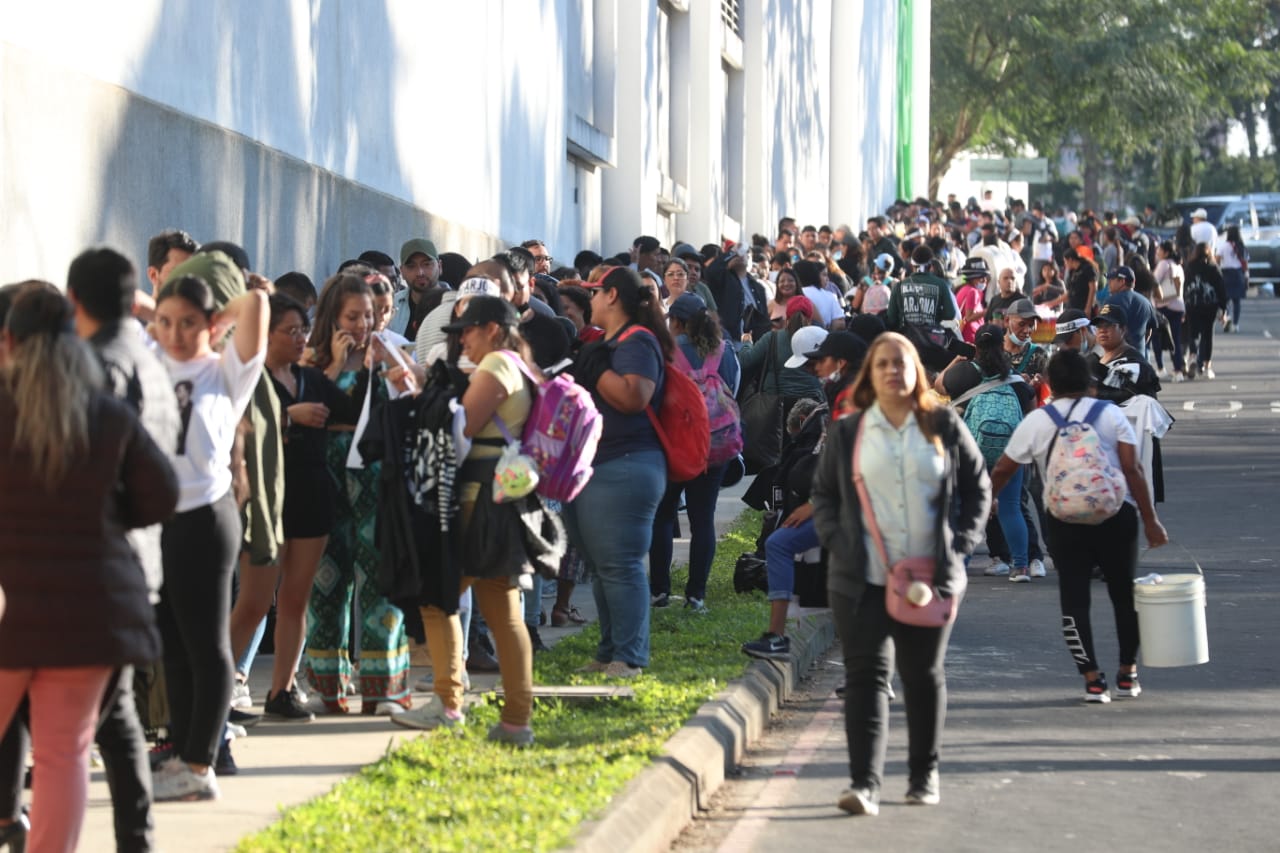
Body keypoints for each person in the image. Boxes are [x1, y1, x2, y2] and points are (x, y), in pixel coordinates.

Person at [0, 286, 178, 851]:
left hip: (15, 609)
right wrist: (108, 512)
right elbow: (162, 494)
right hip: (92, 612)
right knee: (63, 754)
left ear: (9, 342)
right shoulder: (105, 413)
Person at [812, 332, 991, 815]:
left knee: (921, 675)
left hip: (929, 579)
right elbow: (823, 494)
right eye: (883, 363)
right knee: (865, 677)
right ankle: (864, 784)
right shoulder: (849, 431)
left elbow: (977, 486)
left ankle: (922, 775)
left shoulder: (942, 424)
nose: (893, 370)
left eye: (901, 362)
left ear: (916, 372)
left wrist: (960, 545)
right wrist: (838, 542)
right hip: (860, 577)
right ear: (869, 375)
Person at [66, 247, 181, 849]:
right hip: (138, 557)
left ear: (74, 301)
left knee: (110, 715)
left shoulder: (96, 366)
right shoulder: (149, 359)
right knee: (116, 712)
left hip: (98, 562)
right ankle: (136, 837)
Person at [395, 296, 539, 745]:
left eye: (468, 332)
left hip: (479, 501)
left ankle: (448, 703)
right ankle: (516, 720)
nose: (462, 342)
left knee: (438, 599)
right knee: (504, 612)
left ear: (492, 329)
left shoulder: (497, 364)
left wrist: (422, 395)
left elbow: (463, 426)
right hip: (503, 498)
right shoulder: (518, 365)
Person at [149, 253, 267, 801]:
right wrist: (159, 310)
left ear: (212, 325)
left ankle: (203, 760)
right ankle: (184, 753)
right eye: (166, 322)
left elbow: (257, 302)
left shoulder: (226, 371)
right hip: (157, 522)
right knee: (171, 646)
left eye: (188, 323)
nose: (175, 334)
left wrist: (217, 314)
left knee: (206, 643)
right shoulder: (152, 359)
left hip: (205, 518)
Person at [991, 350, 1168, 703]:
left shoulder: (1038, 421)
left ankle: (1092, 679)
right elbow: (1133, 470)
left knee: (1074, 601)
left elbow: (1003, 469)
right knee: (1123, 596)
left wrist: (986, 504)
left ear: (1050, 383)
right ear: (1089, 381)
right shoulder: (1111, 414)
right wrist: (1151, 521)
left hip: (1064, 521)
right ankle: (1127, 672)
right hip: (1115, 516)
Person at [228, 294, 358, 722]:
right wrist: (287, 417)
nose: (300, 338)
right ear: (265, 335)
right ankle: (215, 689)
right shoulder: (250, 379)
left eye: (304, 329)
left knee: (295, 599)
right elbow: (237, 427)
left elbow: (350, 411)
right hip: (266, 500)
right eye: (291, 331)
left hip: (311, 496)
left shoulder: (311, 378)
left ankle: (282, 691)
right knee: (253, 602)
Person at [302, 273, 412, 714]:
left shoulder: (388, 354)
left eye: (368, 315)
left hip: (376, 477)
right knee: (326, 580)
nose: (363, 325)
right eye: (353, 316)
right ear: (332, 316)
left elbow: (411, 402)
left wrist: (395, 373)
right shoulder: (312, 358)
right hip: (324, 476)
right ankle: (328, 686)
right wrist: (333, 365)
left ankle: (383, 687)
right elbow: (313, 406)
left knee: (381, 579)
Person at [566, 267, 670, 677]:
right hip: (600, 464)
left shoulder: (637, 340)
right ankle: (610, 652)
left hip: (626, 465)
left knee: (620, 565)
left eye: (593, 292)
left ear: (611, 295)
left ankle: (629, 657)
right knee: (602, 566)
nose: (589, 300)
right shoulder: (610, 341)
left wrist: (596, 370)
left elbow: (633, 397)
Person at [649, 294, 740, 613]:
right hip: (714, 445)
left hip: (675, 446)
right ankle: (696, 595)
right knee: (703, 519)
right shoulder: (724, 351)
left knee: (663, 515)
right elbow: (732, 390)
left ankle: (659, 590)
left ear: (675, 321)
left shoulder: (666, 352)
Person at [1088, 305, 1161, 403]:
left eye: (1108, 325)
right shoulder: (1097, 359)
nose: (1102, 330)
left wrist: (1095, 393)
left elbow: (1134, 400)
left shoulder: (1137, 365)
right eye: (1099, 326)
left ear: (1123, 329)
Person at [1182, 242, 1227, 380]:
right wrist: (1223, 308)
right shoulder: (1213, 268)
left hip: (1192, 304)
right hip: (1209, 305)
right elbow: (1221, 289)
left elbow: (1184, 286)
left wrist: (1183, 303)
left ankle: (1193, 356)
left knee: (1193, 332)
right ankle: (1207, 367)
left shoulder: (1189, 267)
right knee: (1208, 335)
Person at [1101, 265, 1157, 361]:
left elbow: (1104, 330)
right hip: (1139, 357)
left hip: (1117, 358)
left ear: (1122, 281)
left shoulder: (1111, 301)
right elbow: (1149, 331)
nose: (1108, 282)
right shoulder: (1146, 302)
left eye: (1112, 279)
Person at [1151, 240, 1186, 380]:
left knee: (1156, 337)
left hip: (1164, 306)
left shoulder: (1163, 264)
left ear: (1166, 252)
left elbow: (1154, 281)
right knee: (1176, 339)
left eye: (1159, 249)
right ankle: (1178, 371)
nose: (1157, 252)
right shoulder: (1178, 265)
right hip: (1178, 306)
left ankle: (1160, 368)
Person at [1216, 225, 1247, 332]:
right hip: (1238, 274)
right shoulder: (1242, 246)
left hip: (1226, 274)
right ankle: (1236, 324)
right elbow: (1246, 261)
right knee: (1236, 301)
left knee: (1224, 300)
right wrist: (1246, 275)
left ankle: (1226, 319)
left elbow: (1217, 259)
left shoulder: (1224, 246)